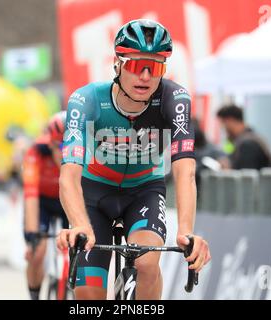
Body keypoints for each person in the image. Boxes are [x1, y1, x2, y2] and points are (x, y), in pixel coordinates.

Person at [57, 19, 211, 300]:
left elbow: (185, 171)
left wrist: (187, 233)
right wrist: (78, 223)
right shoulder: (87, 99)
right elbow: (68, 174)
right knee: (90, 297)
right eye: (135, 65)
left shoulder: (174, 100)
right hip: (95, 195)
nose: (145, 76)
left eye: (155, 67)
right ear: (117, 64)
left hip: (144, 192)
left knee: (146, 262)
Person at [22, 111, 70, 300]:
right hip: (42, 201)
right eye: (59, 146)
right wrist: (32, 235)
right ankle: (34, 295)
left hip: (68, 199)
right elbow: (31, 196)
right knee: (38, 251)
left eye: (69, 146)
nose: (64, 152)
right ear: (50, 143)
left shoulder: (86, 151)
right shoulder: (35, 152)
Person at [217, 104, 271, 170]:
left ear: (231, 120)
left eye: (223, 123)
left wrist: (228, 170)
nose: (222, 128)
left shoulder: (248, 144)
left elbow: (245, 177)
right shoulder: (251, 138)